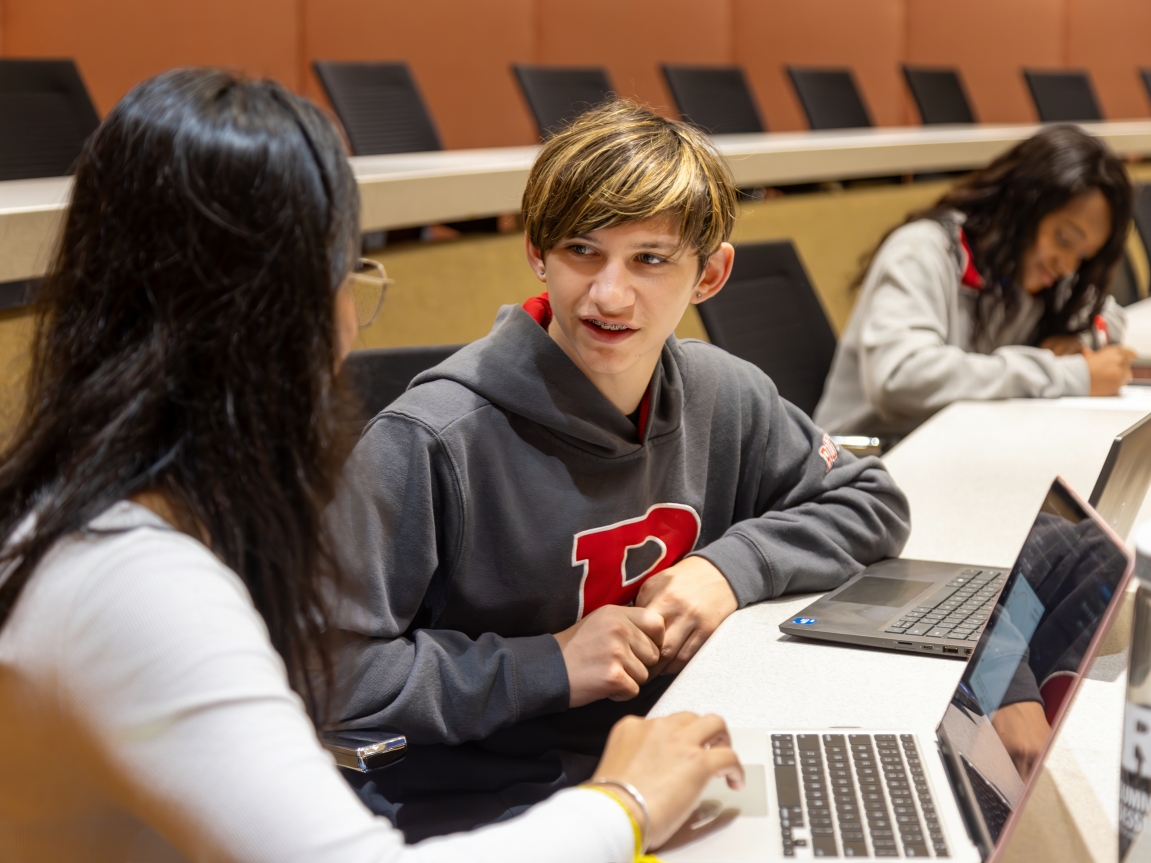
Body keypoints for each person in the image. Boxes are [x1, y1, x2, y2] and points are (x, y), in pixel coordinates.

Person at [0, 69, 745, 862]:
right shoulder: (138, 586)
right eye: (345, 274)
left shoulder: (118, 521)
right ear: (286, 317)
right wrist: (626, 802)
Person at [329, 100, 911, 836]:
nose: (608, 294)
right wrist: (547, 664)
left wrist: (733, 567)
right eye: (581, 250)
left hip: (668, 758)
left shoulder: (721, 393)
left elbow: (868, 499)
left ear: (710, 273)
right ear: (536, 250)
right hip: (487, 806)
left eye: (650, 258)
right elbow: (331, 674)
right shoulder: (430, 438)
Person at [814, 125, 1137, 439]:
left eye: (1082, 256)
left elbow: (1107, 314)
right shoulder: (923, 252)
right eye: (1064, 239)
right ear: (1023, 205)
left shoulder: (1039, 271)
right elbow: (900, 380)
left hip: (955, 448)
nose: (1067, 265)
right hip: (866, 465)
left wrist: (1077, 340)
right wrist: (1069, 376)